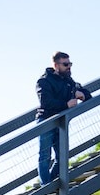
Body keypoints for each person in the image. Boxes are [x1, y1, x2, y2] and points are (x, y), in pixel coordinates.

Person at [36, 52, 91, 184]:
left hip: (61, 122)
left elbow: (88, 94)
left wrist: (81, 95)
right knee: (45, 157)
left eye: (70, 64)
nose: (69, 67)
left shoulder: (68, 81)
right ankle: (46, 187)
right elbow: (46, 102)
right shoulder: (43, 81)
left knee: (62, 156)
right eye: (65, 64)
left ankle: (52, 184)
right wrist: (66, 104)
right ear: (56, 65)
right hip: (46, 121)